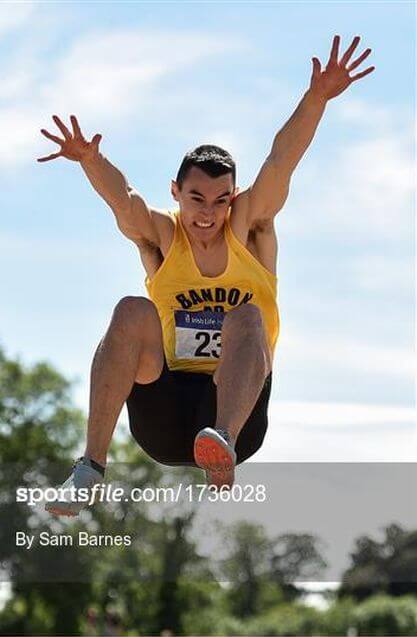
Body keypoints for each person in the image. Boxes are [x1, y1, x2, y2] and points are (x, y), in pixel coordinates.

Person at [39, 36, 374, 516]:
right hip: (167, 411)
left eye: (221, 201)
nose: (207, 214)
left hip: (234, 416)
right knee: (132, 310)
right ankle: (90, 467)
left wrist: (316, 98)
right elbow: (124, 199)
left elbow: (281, 162)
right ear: (176, 192)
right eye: (196, 199)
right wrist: (91, 160)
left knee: (248, 317)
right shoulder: (162, 237)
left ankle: (222, 448)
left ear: (234, 197)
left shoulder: (250, 229)